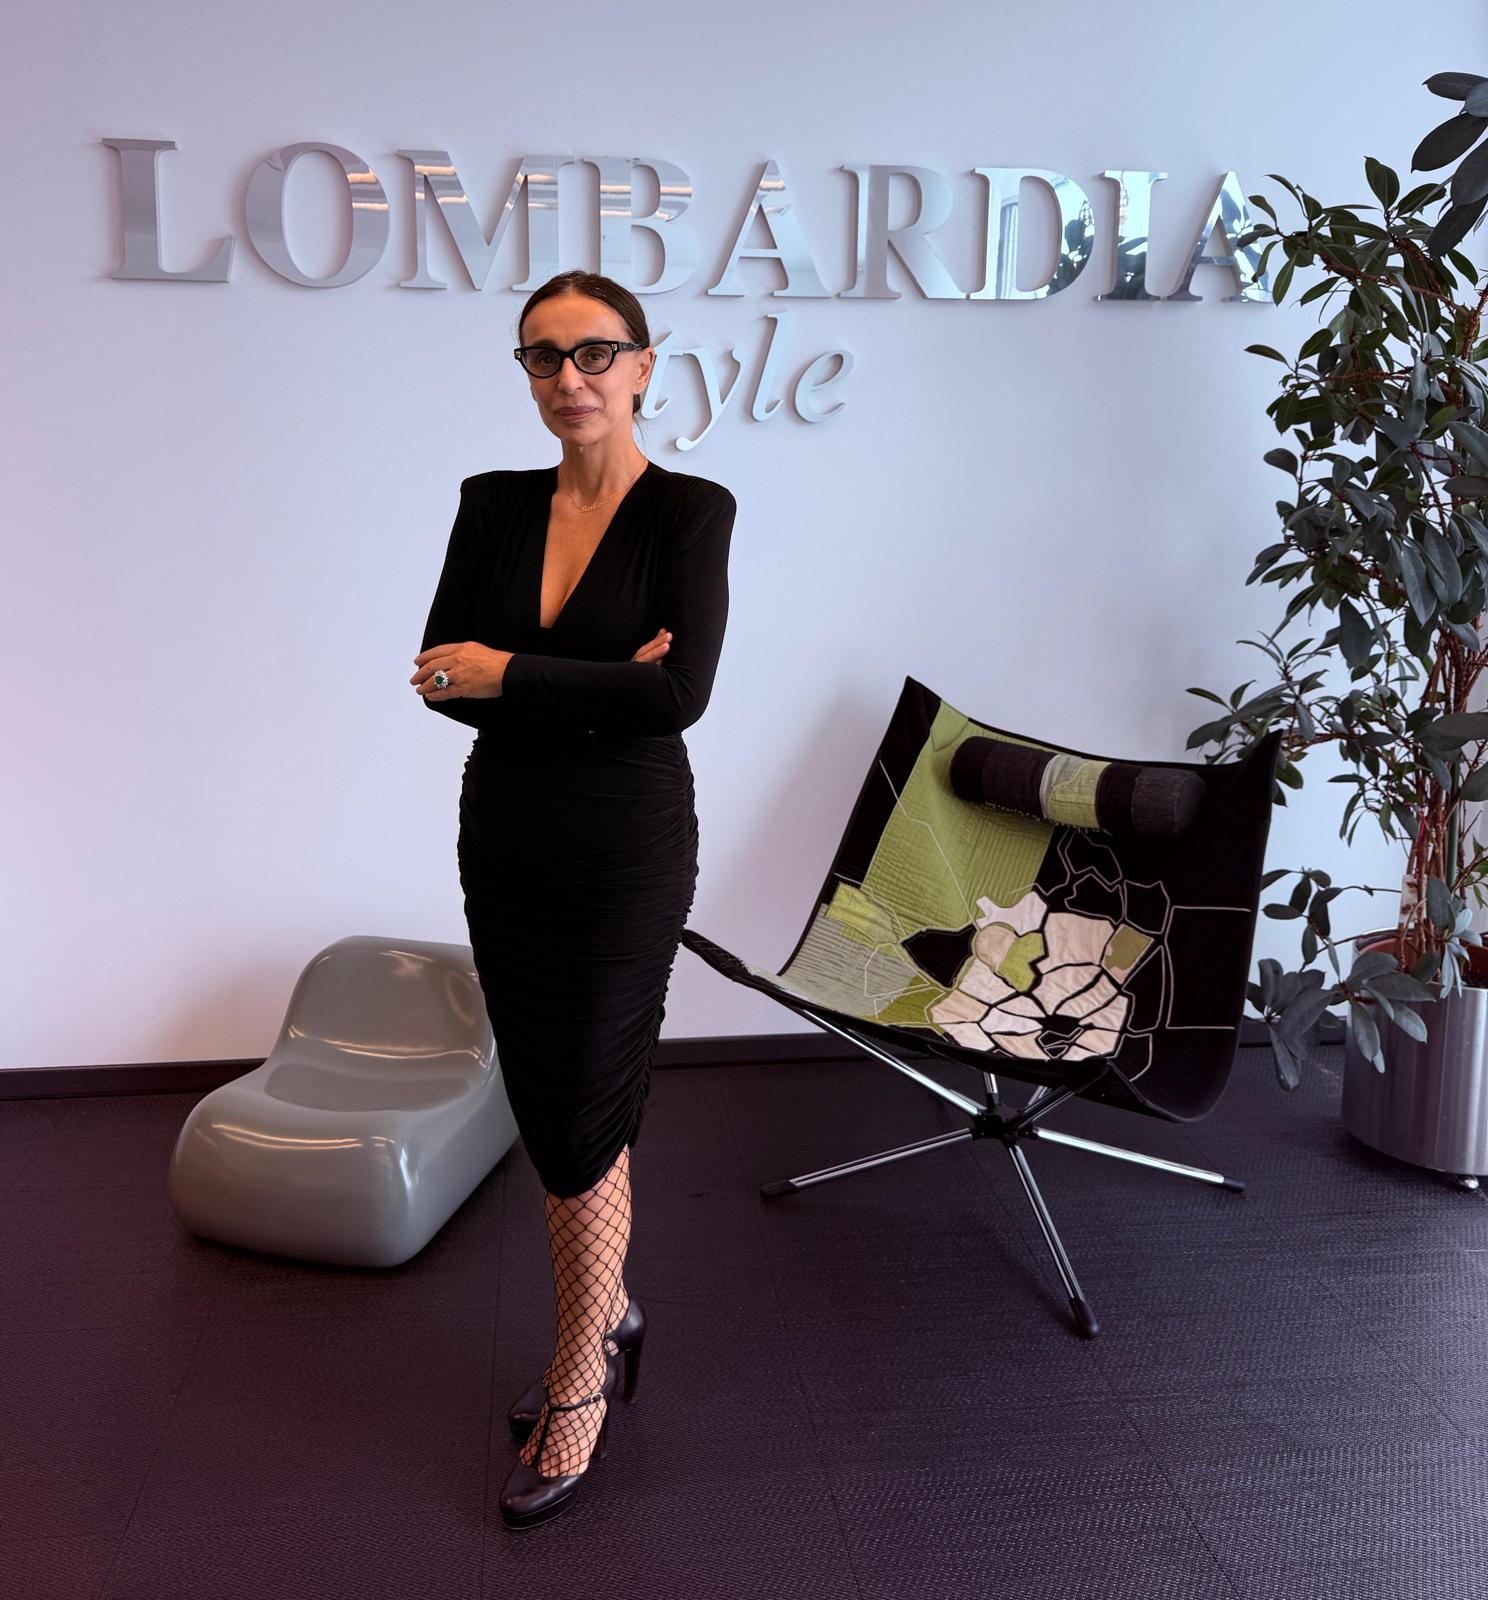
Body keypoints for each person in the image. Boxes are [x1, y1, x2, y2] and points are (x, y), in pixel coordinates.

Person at [410, 270, 735, 1529]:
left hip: (625, 848)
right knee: (547, 1094)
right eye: (543, 357)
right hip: (506, 836)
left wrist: (514, 670)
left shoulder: (691, 512)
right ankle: (613, 1311)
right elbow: (442, 678)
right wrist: (590, 678)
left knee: (591, 1100)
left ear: (644, 365)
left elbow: (678, 697)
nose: (569, 379)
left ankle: (579, 1372)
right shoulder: (492, 504)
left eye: (595, 352)